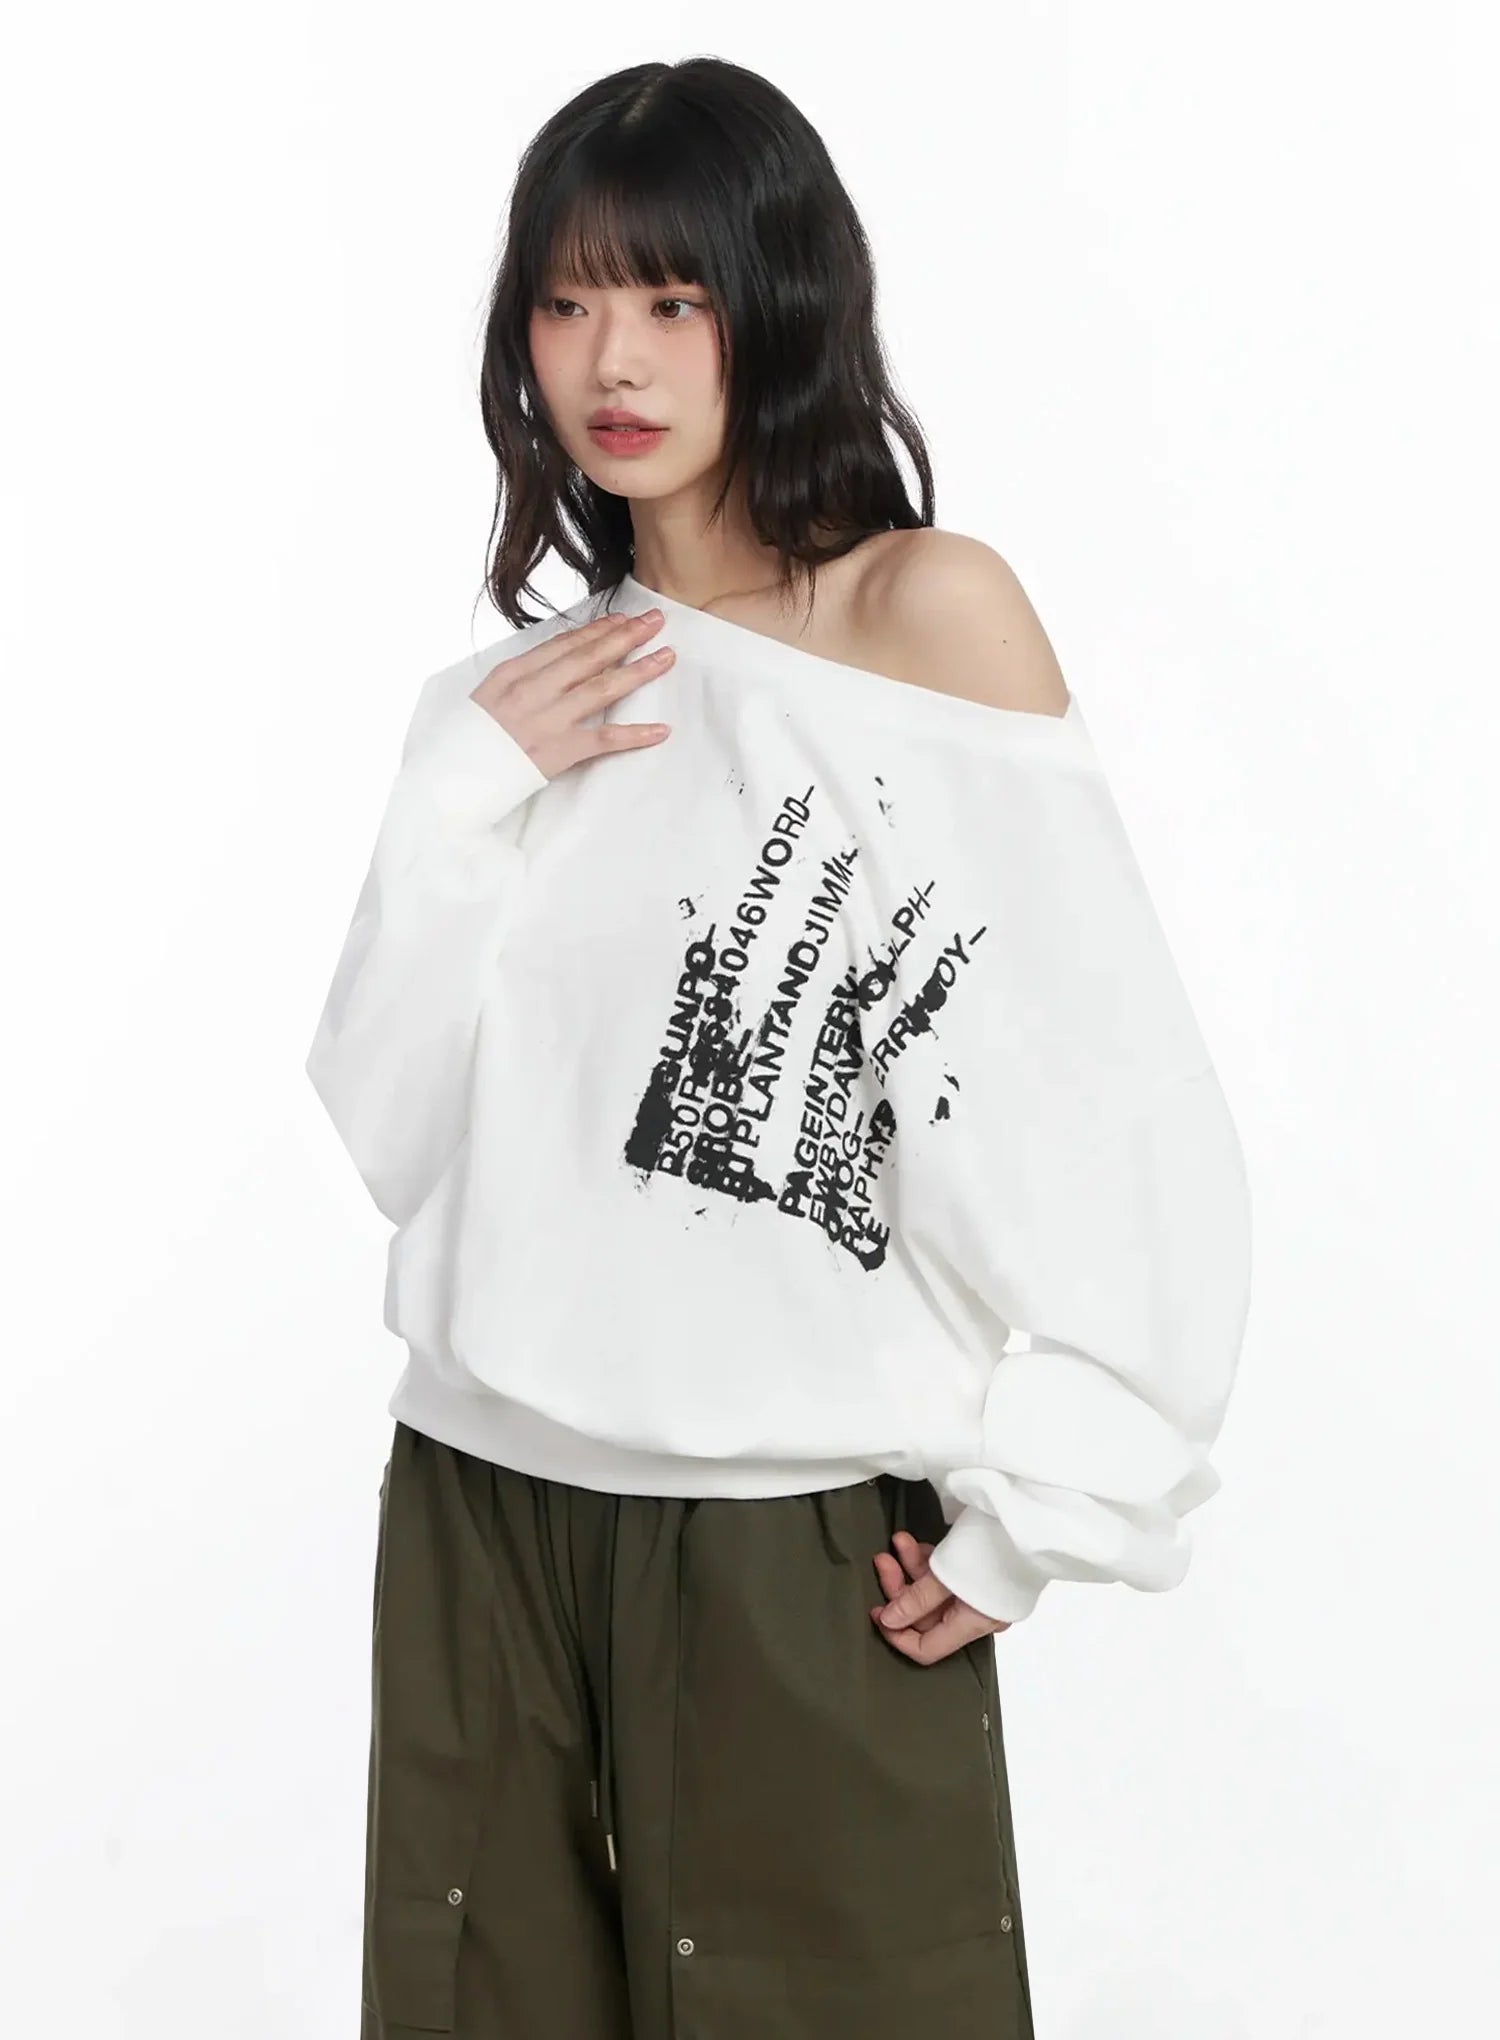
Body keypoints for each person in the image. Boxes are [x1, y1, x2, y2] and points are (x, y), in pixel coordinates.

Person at [304, 54, 1252, 2040]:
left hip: (792, 1543)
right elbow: (393, 1134)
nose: (613, 360)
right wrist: (457, 792)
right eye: (568, 301)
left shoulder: (925, 618)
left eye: (674, 298)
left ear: (779, 303)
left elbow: (1110, 1088)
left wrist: (1062, 1496)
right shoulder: (508, 705)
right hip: (480, 1512)